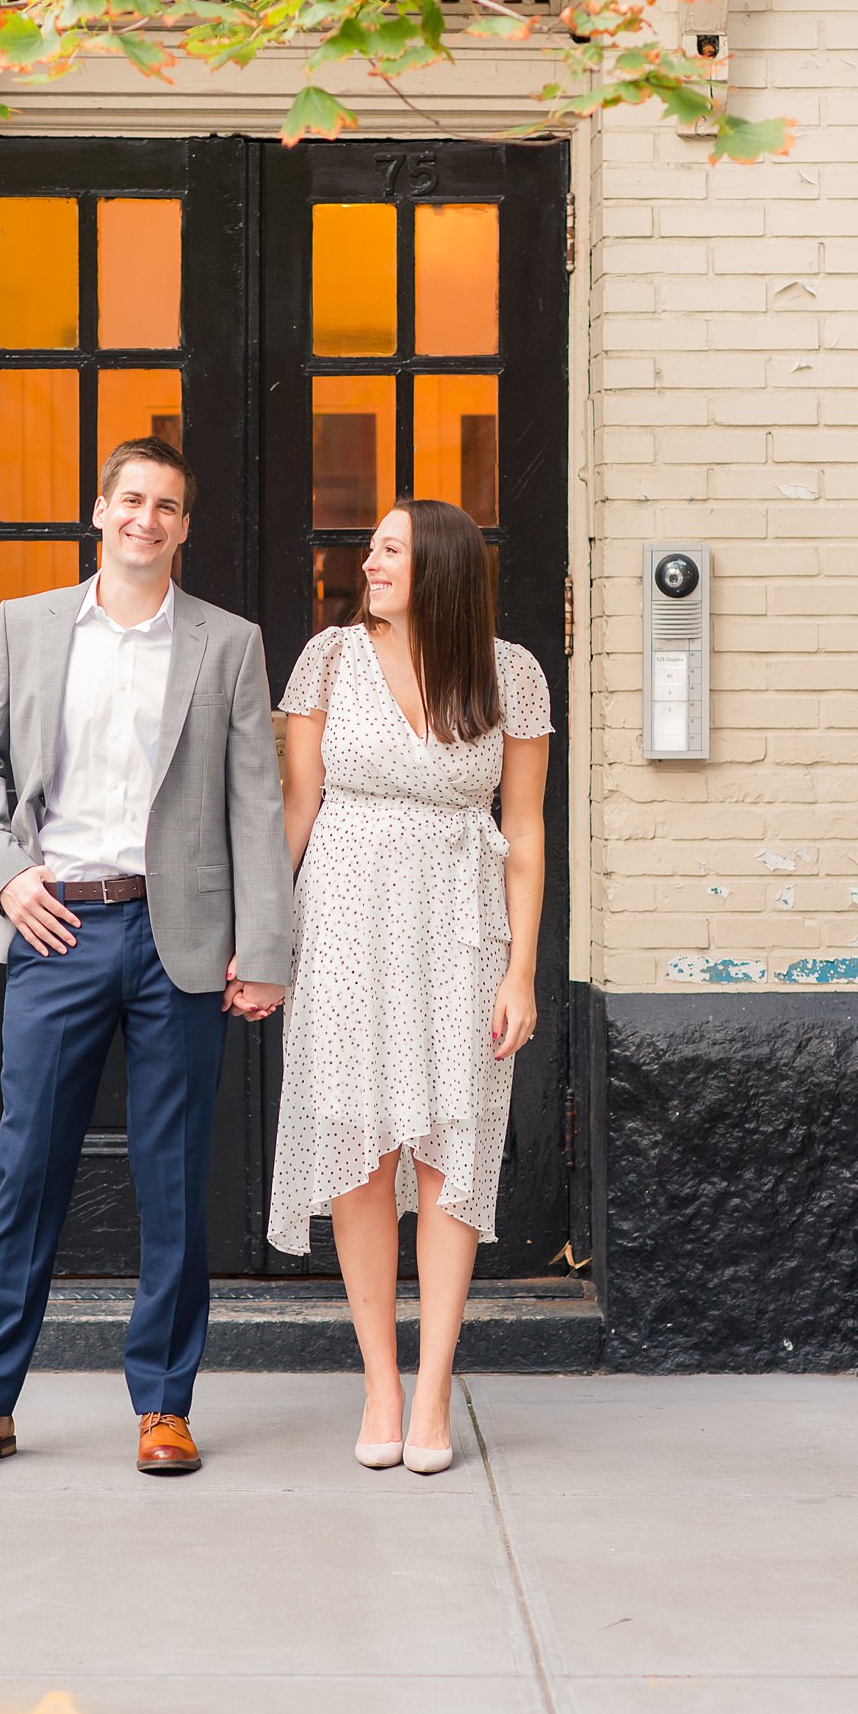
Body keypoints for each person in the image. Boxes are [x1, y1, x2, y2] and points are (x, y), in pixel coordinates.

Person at [0, 437, 290, 1479]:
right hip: (57, 928)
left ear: (183, 526)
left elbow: (253, 805)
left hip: (175, 940)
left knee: (172, 1183)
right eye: (130, 499)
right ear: (99, 510)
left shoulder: (226, 644)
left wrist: (262, 947)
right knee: (27, 1171)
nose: (146, 518)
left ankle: (164, 1406)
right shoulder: (28, 626)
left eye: (166, 505)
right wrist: (5, 876)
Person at [268, 499, 552, 1475]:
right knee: (354, 1148)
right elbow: (296, 804)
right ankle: (378, 1383)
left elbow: (523, 832)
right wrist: (261, 938)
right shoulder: (328, 660)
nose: (369, 563)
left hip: (458, 929)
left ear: (433, 565)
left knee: (449, 1157)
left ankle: (431, 1390)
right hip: (344, 921)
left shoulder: (510, 674)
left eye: (388, 550)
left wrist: (518, 968)